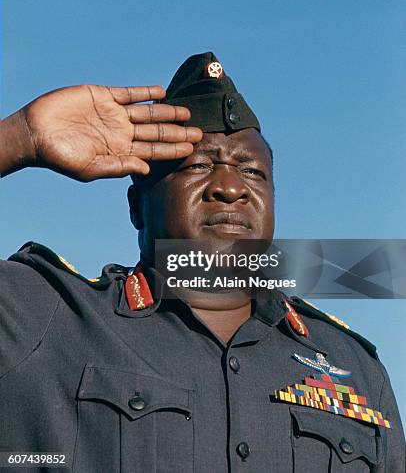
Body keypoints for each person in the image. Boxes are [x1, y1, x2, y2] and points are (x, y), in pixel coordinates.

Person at [0, 52, 404, 472]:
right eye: (197, 165)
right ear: (137, 206)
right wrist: (19, 138)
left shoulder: (354, 368)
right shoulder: (46, 315)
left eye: (251, 172)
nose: (230, 188)